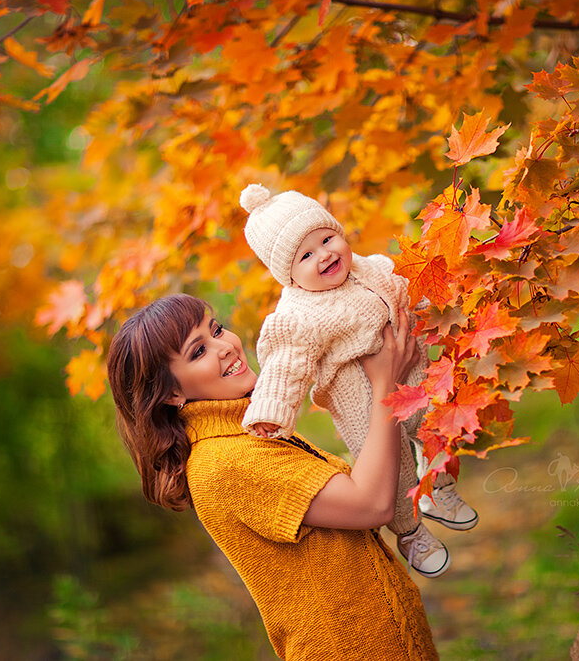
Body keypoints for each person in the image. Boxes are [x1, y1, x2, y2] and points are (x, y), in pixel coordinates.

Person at [107, 294, 439, 660]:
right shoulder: (227, 461)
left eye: (216, 329)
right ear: (170, 393)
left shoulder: (248, 430)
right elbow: (371, 505)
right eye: (198, 351)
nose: (225, 347)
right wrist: (385, 384)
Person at [238, 184, 479, 578]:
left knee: (442, 426)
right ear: (290, 277)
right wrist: (271, 411)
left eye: (327, 238)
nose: (325, 255)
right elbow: (284, 364)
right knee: (395, 464)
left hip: (416, 374)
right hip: (362, 402)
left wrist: (444, 307)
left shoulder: (375, 267)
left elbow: (412, 293)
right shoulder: (297, 315)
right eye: (306, 255)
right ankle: (410, 530)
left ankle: (439, 488)